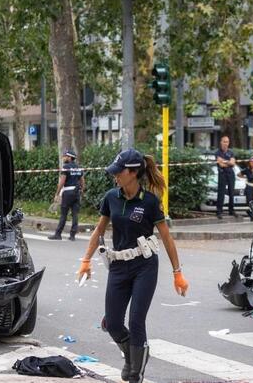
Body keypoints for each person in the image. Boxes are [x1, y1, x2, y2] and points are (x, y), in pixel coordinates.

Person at [77, 148, 188, 383]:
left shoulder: (149, 201)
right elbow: (99, 230)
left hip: (144, 266)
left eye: (119, 172)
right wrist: (86, 260)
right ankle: (133, 355)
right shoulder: (111, 198)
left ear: (133, 172)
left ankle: (135, 373)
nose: (115, 176)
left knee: (136, 320)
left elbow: (166, 237)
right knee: (114, 322)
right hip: (118, 266)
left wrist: (177, 272)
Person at [48, 149, 85, 241]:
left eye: (65, 156)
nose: (63, 158)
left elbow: (62, 182)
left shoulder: (66, 167)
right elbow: (82, 181)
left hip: (68, 193)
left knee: (64, 214)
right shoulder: (78, 167)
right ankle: (72, 236)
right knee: (75, 214)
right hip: (76, 193)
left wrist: (57, 193)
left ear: (69, 157)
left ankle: (58, 234)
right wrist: (82, 191)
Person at [215, 135, 236, 219]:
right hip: (222, 173)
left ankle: (231, 210)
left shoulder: (231, 152)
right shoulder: (217, 152)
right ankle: (219, 211)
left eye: (227, 142)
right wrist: (228, 162)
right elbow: (221, 164)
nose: (225, 144)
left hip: (230, 173)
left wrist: (225, 161)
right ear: (221, 142)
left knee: (231, 193)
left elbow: (233, 163)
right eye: (224, 141)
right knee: (221, 193)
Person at [238, 157, 253, 221]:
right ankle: (252, 216)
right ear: (249, 163)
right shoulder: (247, 169)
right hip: (249, 186)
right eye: (251, 162)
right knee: (249, 202)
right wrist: (245, 177)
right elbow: (238, 174)